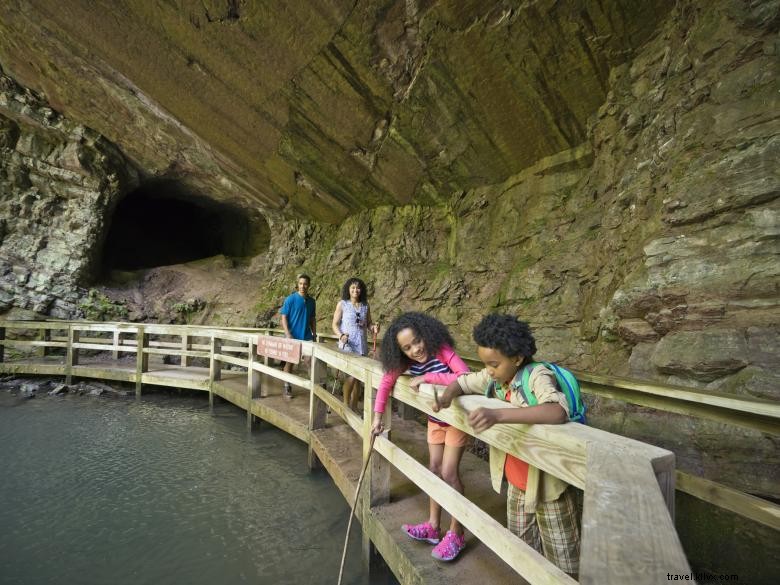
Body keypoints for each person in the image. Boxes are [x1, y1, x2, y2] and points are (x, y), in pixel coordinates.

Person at [433, 314, 580, 577]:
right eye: (485, 364)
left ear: (517, 359)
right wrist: (446, 398)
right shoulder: (495, 377)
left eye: (493, 364)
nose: (488, 370)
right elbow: (462, 381)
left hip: (550, 486)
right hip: (515, 485)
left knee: (562, 560)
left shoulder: (537, 375)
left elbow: (556, 411)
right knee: (522, 549)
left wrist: (498, 415)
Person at [371, 312, 470, 562]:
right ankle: (434, 526)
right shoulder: (406, 363)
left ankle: (456, 532)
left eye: (417, 341)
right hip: (435, 421)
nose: (415, 349)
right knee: (434, 469)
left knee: (449, 473)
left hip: (456, 420)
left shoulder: (442, 350)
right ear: (400, 351)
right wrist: (377, 417)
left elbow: (465, 376)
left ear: (425, 334)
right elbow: (385, 384)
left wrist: (428, 377)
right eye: (407, 347)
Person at [331, 277, 379, 411]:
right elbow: (334, 324)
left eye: (358, 288)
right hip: (348, 344)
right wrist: (340, 335)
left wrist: (373, 328)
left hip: (361, 344)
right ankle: (346, 406)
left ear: (361, 290)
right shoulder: (342, 304)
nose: (355, 290)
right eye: (352, 287)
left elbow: (369, 323)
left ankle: (354, 406)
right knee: (352, 376)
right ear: (348, 289)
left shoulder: (365, 305)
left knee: (359, 379)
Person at [279, 274, 316, 399]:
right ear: (297, 284)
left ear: (309, 285)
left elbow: (312, 319)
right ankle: (287, 386)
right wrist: (288, 333)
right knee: (290, 362)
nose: (303, 286)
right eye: (300, 283)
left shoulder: (311, 301)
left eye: (305, 284)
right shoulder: (290, 299)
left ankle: (314, 387)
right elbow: (283, 317)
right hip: (293, 335)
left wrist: (314, 333)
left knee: (310, 361)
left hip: (306, 336)